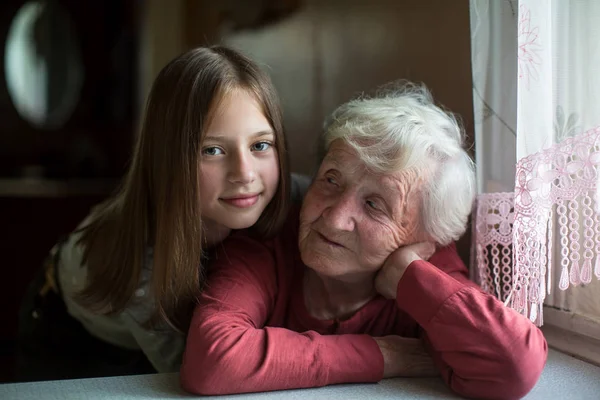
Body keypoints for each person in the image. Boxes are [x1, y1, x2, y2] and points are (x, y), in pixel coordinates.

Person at [180, 82, 548, 399]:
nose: (335, 218)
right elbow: (211, 360)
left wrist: (412, 280)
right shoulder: (271, 239)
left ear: (424, 239)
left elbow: (514, 364)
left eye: (374, 204)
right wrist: (386, 356)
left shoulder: (426, 272)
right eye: (331, 180)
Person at [16, 45, 310, 381]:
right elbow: (210, 374)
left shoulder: (285, 191)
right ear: (168, 159)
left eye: (260, 145)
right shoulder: (140, 264)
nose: (244, 173)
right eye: (212, 150)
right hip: (74, 338)